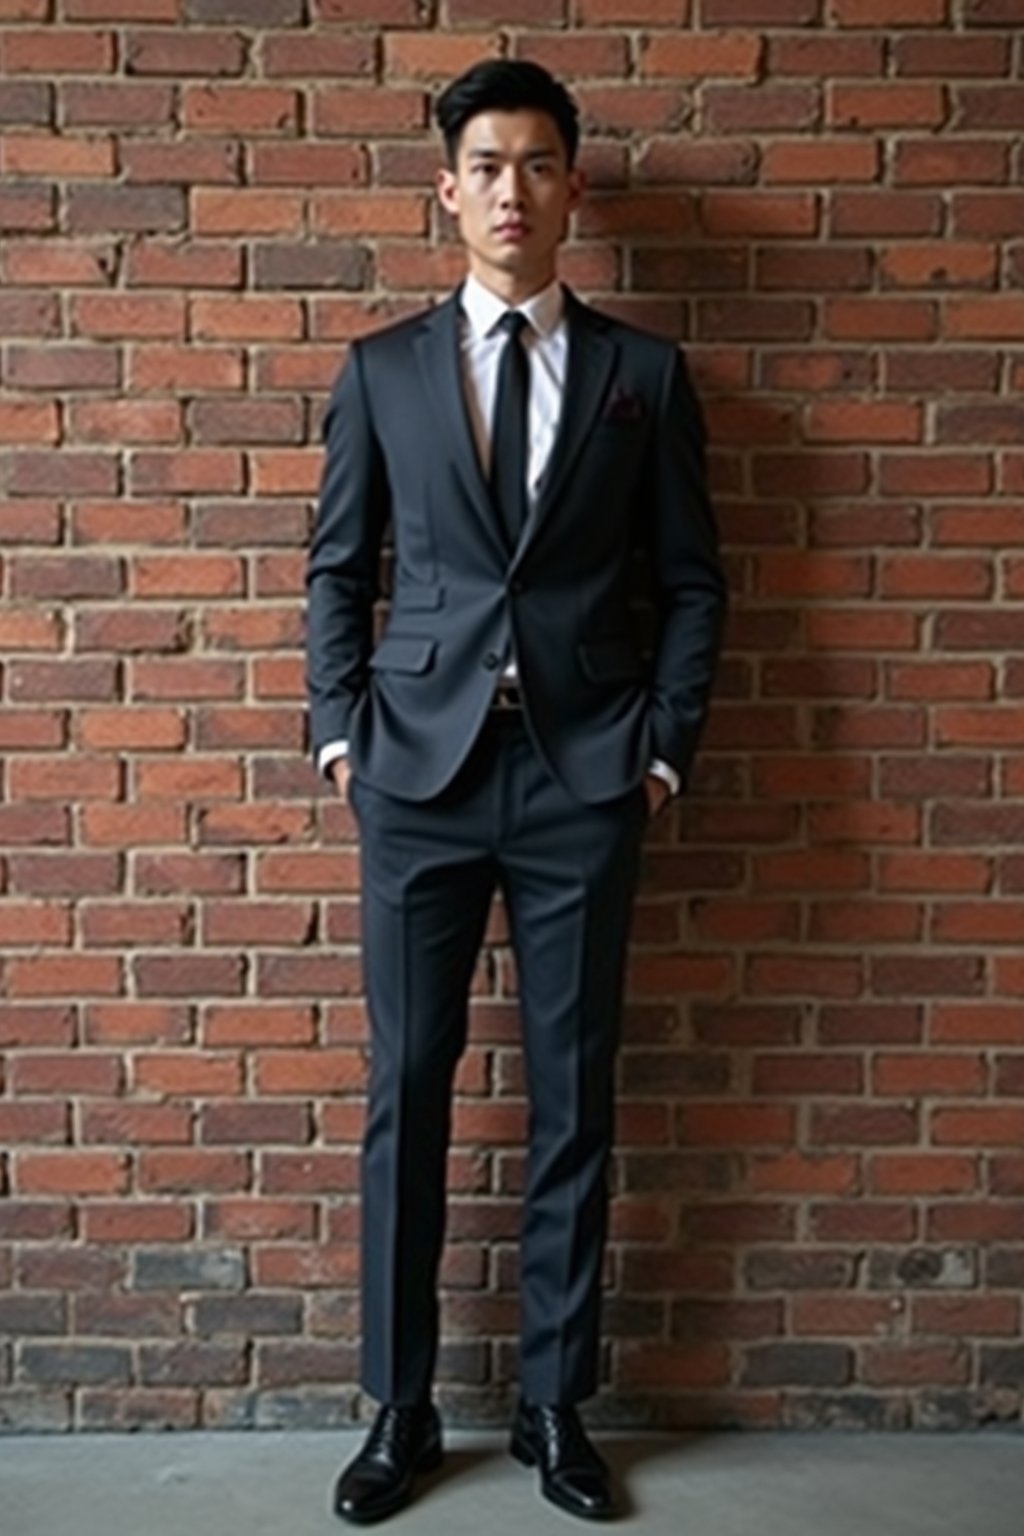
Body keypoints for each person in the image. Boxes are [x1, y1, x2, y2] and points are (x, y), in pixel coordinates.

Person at [305, 58, 727, 1525]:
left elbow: (691, 581)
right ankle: (400, 1409)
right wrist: (338, 735)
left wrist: (661, 747)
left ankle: (556, 1409)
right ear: (448, 188)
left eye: (536, 163)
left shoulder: (641, 377)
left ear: (570, 189)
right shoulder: (382, 371)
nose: (509, 189)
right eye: (484, 164)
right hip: (414, 781)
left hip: (581, 782)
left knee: (572, 1103)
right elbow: (336, 570)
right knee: (405, 1098)